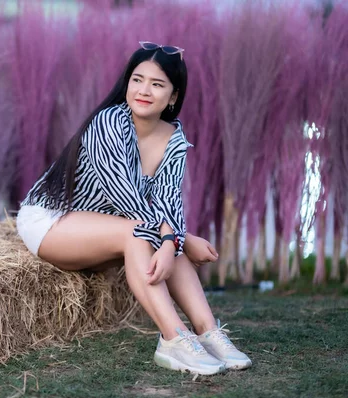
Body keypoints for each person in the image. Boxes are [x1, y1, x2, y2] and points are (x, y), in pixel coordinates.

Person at [16, 42, 251, 375]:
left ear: (172, 96)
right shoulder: (108, 123)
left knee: (162, 238)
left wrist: (175, 241)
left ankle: (209, 332)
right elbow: (128, 200)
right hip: (54, 218)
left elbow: (169, 200)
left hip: (109, 225)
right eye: (137, 80)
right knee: (147, 233)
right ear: (126, 83)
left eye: (157, 84)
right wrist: (178, 238)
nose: (144, 90)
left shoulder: (174, 138)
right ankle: (173, 338)